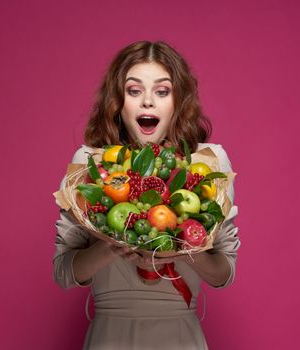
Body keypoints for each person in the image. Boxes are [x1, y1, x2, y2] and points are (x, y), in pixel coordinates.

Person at [53, 41, 240, 349]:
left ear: (177, 101)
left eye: (162, 91)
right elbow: (63, 272)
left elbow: (224, 273)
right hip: (109, 338)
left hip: (180, 337)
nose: (148, 102)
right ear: (118, 102)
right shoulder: (91, 163)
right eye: (134, 90)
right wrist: (111, 248)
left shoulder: (207, 163)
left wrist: (184, 250)